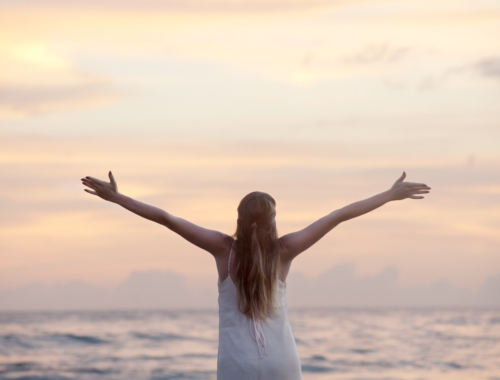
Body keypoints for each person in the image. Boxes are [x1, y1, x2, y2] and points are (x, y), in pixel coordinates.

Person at [81, 171, 430, 379]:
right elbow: (339, 215)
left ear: (239, 216)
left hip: (237, 364)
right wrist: (389, 195)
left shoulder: (222, 249)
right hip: (282, 360)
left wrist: (117, 198)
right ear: (273, 220)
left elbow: (167, 218)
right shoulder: (286, 249)